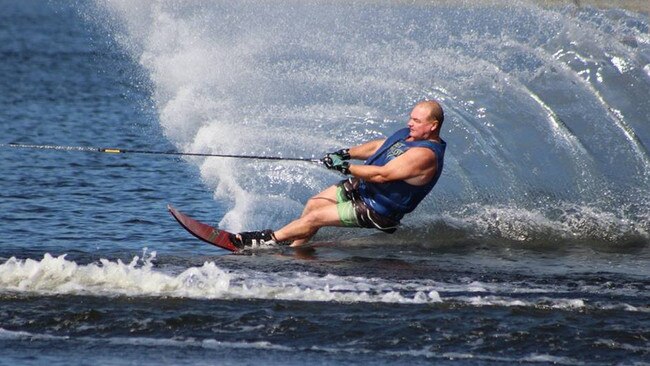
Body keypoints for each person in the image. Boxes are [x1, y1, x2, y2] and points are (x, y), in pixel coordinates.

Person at [232, 100, 446, 248]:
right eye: (411, 118)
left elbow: (382, 175)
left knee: (315, 218)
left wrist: (344, 167)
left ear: (433, 125)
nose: (410, 123)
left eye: (417, 121)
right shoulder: (409, 135)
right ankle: (295, 249)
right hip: (364, 188)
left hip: (378, 208)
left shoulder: (425, 155)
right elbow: (379, 147)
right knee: (313, 205)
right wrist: (345, 154)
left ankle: (262, 240)